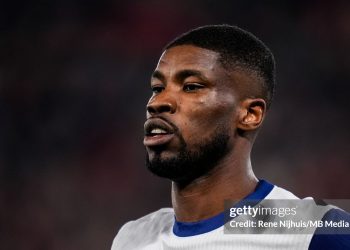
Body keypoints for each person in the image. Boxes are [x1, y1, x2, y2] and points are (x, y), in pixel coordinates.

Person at [111, 24, 350, 249]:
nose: (158, 103)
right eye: (157, 88)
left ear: (249, 114)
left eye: (191, 87)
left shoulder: (315, 229)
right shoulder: (133, 237)